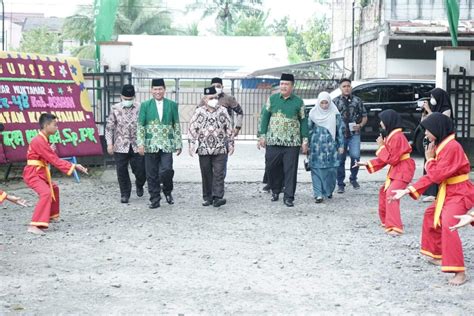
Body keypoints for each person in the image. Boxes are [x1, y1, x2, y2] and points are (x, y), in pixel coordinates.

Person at [391, 113, 474, 286]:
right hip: (449, 190)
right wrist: (407, 190)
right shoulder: (442, 145)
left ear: (437, 128)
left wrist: (429, 161)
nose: (426, 133)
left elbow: (436, 175)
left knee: (449, 223)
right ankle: (436, 254)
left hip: (459, 192)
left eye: (428, 129)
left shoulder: (452, 147)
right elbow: (433, 176)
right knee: (431, 214)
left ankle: (459, 271)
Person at [23, 113, 88, 235]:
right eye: (55, 125)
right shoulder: (39, 140)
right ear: (47, 125)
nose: (57, 128)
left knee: (54, 188)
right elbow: (54, 160)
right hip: (33, 173)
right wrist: (74, 166)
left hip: (39, 171)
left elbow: (47, 157)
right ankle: (34, 225)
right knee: (46, 193)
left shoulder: (43, 139)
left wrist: (49, 151)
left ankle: (49, 216)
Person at [356, 110, 415, 236]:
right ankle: (387, 221)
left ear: (388, 121)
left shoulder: (397, 137)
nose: (381, 123)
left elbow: (391, 159)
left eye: (382, 120)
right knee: (384, 191)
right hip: (398, 168)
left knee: (391, 193)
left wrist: (382, 147)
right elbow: (387, 158)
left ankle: (395, 226)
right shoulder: (392, 136)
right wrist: (367, 163)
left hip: (403, 169)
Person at [257, 73, 308, 207]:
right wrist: (262, 136)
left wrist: (305, 140)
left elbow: (303, 121)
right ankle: (275, 189)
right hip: (273, 141)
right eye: (282, 84)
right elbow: (264, 118)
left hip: (292, 143)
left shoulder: (298, 102)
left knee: (290, 170)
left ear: (292, 86)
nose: (283, 86)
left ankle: (289, 197)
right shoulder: (272, 99)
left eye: (286, 84)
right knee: (271, 166)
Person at [137, 78, 182, 209]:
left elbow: (176, 125)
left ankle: (167, 190)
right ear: (151, 90)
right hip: (150, 144)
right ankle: (154, 199)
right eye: (155, 89)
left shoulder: (172, 105)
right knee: (151, 173)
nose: (158, 91)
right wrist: (140, 143)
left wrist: (178, 143)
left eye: (160, 89)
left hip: (167, 143)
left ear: (164, 90)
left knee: (167, 170)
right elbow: (140, 126)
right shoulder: (145, 105)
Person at [188, 86, 234, 207]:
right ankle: (207, 197)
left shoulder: (223, 111)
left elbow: (229, 128)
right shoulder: (199, 112)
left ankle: (218, 197)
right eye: (210, 98)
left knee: (219, 173)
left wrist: (231, 144)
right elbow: (192, 127)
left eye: (215, 97)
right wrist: (191, 144)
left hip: (220, 148)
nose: (213, 100)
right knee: (206, 173)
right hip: (204, 148)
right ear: (204, 99)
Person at [105, 84, 146, 204]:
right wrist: (109, 144)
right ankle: (125, 193)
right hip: (120, 145)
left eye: (130, 99)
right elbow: (109, 128)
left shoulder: (140, 107)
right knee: (121, 170)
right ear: (120, 97)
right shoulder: (115, 108)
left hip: (137, 145)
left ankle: (139, 184)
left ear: (134, 97)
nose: (128, 101)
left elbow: (144, 125)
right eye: (125, 99)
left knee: (140, 170)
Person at [308, 91, 344, 203]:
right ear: (318, 103)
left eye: (326, 103)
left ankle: (328, 191)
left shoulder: (335, 114)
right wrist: (306, 144)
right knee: (316, 169)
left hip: (331, 147)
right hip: (316, 147)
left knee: (331, 170)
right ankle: (318, 194)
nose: (324, 105)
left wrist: (341, 145)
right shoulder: (313, 113)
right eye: (322, 103)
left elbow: (340, 130)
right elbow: (308, 130)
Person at [333, 78, 368, 193]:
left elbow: (364, 116)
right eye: (344, 86)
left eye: (348, 86)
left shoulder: (357, 101)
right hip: (341, 135)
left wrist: (360, 125)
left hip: (354, 133)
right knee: (340, 159)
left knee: (356, 157)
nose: (346, 88)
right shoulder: (335, 102)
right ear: (340, 88)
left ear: (351, 87)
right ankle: (340, 183)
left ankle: (353, 178)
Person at [420, 87, 453, 203]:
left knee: (436, 165)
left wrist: (429, 111)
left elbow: (440, 122)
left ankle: (435, 193)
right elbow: (425, 123)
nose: (431, 99)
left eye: (433, 97)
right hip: (431, 138)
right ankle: (428, 190)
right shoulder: (434, 108)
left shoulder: (446, 109)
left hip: (440, 140)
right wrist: (424, 113)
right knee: (428, 162)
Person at [260, 83, 280, 193]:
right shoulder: (268, 104)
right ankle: (270, 182)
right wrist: (261, 136)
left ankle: (281, 184)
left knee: (282, 163)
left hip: (284, 138)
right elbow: (262, 120)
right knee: (270, 161)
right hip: (270, 137)